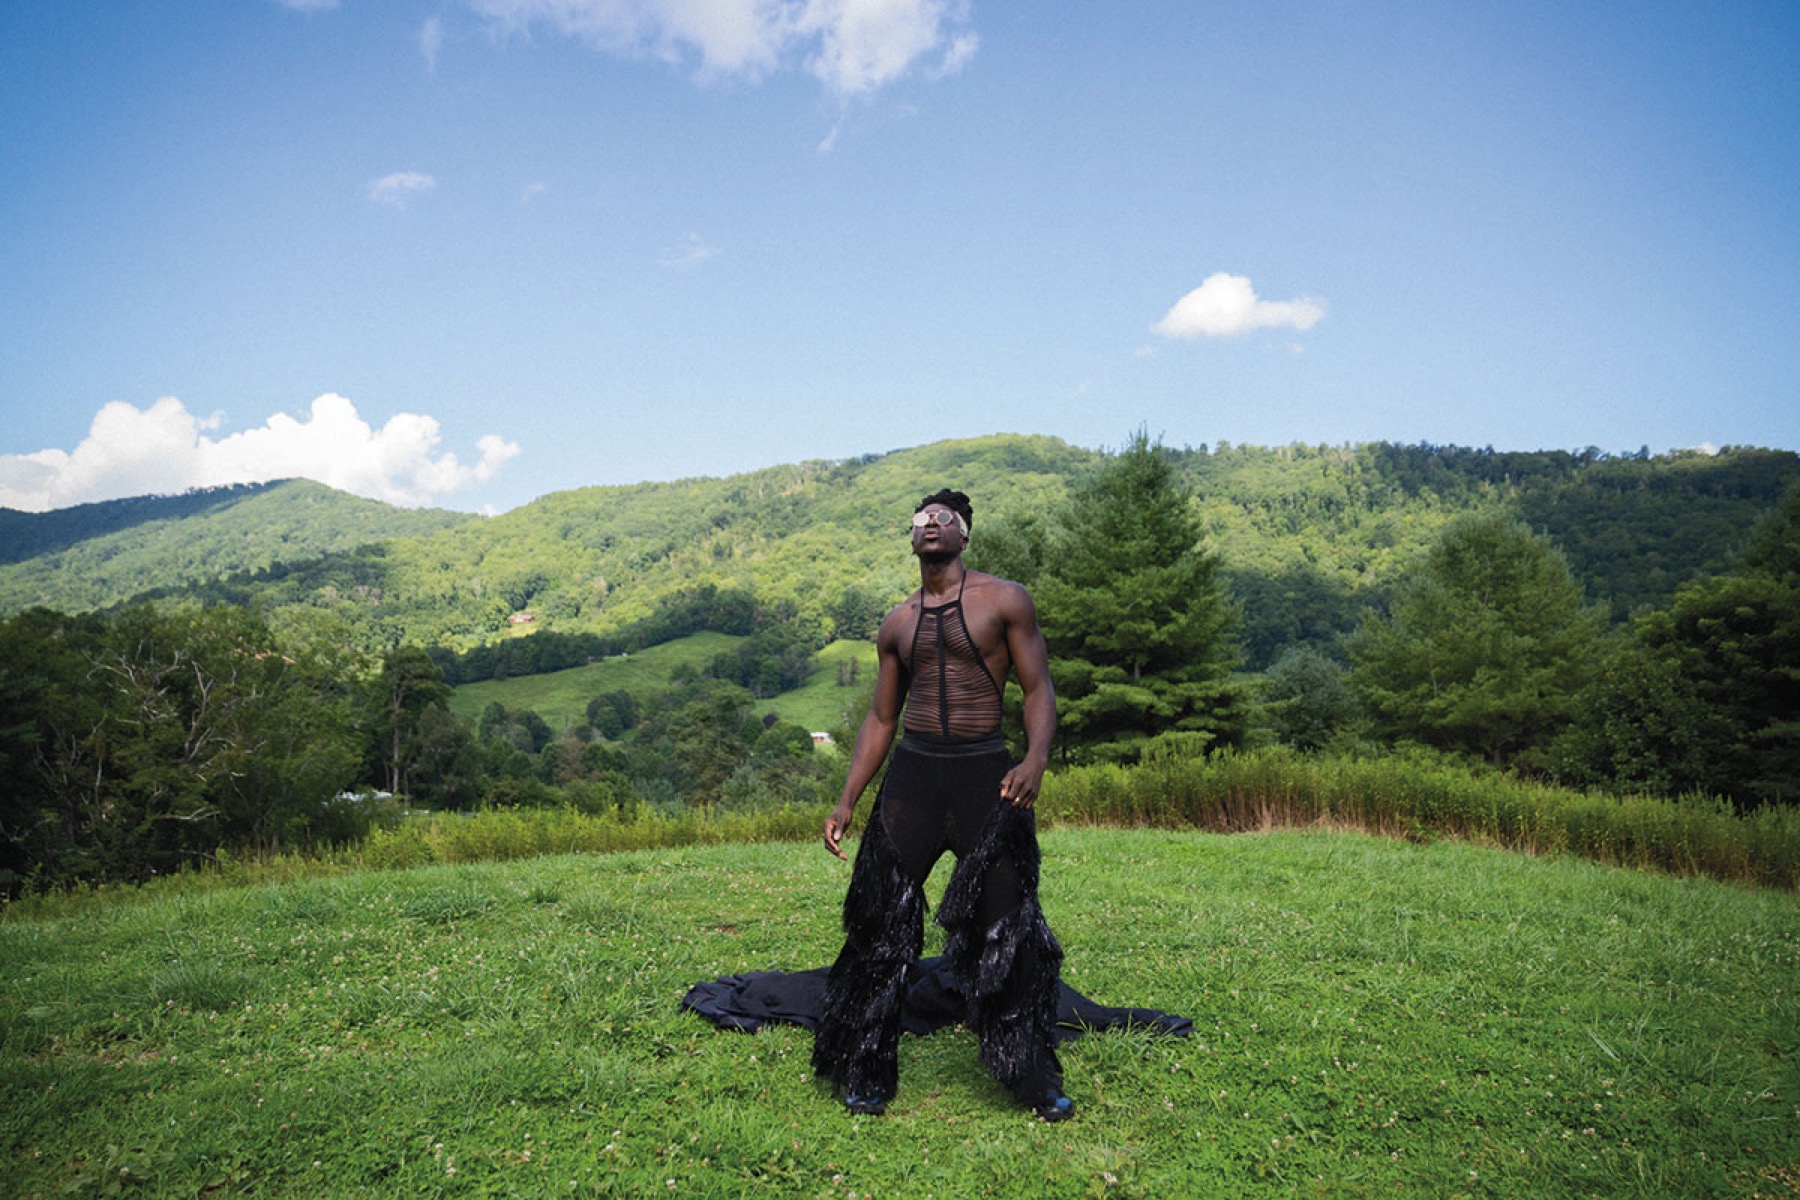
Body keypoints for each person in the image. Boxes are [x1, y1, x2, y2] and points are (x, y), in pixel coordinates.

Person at [810, 489, 1074, 1121]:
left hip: (987, 776)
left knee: (1006, 928)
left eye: (942, 520)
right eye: (919, 521)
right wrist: (847, 799)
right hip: (914, 779)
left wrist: (1034, 759)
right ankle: (868, 1068)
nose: (929, 527)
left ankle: (1031, 1077)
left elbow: (1038, 688)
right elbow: (880, 717)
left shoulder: (1004, 600)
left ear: (964, 535)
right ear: (910, 539)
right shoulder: (897, 623)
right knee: (880, 924)